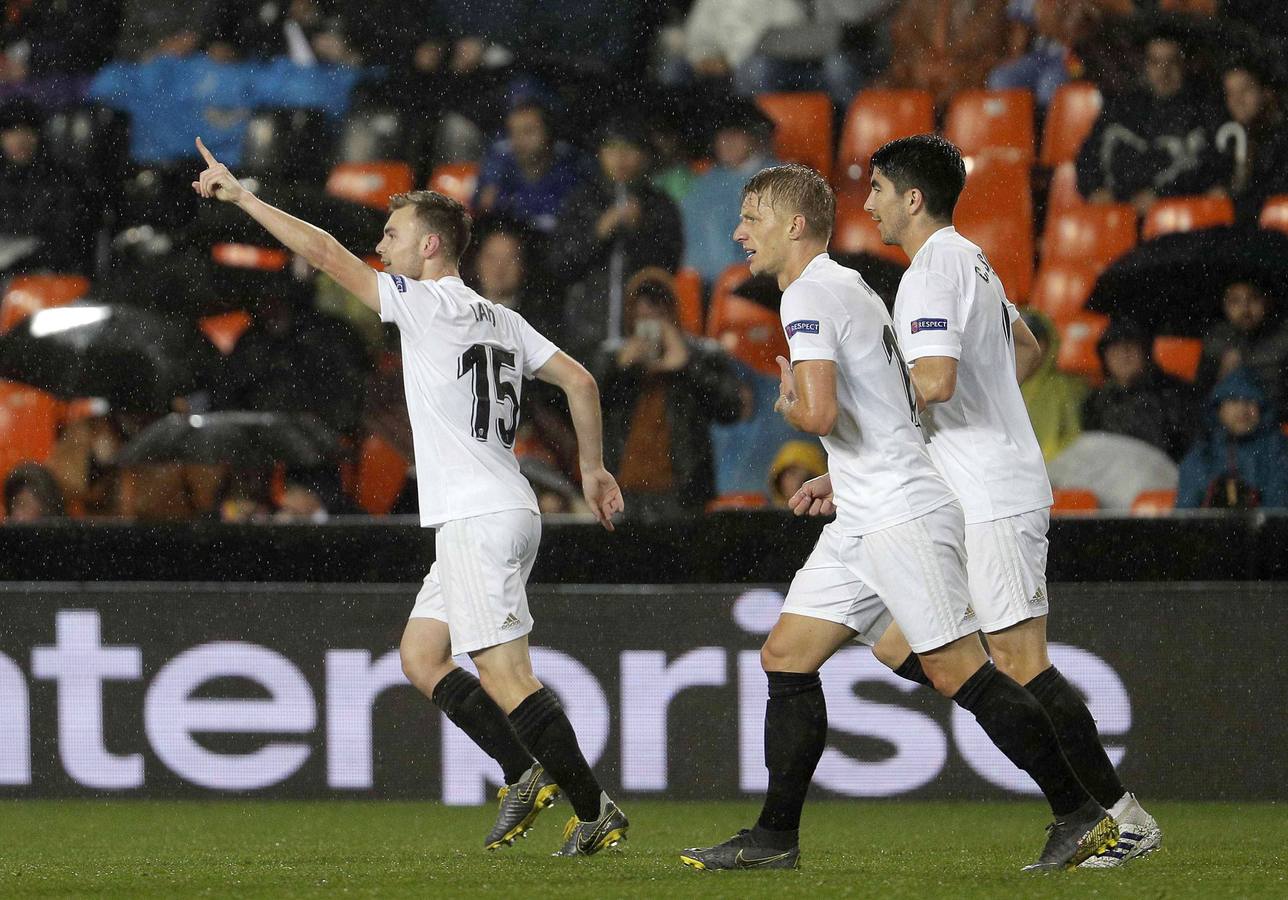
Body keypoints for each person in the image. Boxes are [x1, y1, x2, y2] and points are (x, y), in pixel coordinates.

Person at [191, 137, 629, 856]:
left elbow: (327, 253)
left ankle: (594, 810)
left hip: (479, 517)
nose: (380, 245)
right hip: (497, 506)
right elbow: (580, 380)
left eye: (392, 235)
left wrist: (244, 198)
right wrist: (593, 469)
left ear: (429, 246)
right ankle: (523, 773)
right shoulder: (500, 317)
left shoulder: (427, 305)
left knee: (506, 674)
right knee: (422, 656)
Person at [680, 163, 1117, 873]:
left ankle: (1080, 813)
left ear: (795, 226)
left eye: (751, 217)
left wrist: (790, 406)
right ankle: (773, 838)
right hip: (866, 506)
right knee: (786, 656)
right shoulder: (850, 286)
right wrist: (839, 470)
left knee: (958, 672)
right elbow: (891, 405)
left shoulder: (809, 298)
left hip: (901, 513)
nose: (738, 232)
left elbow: (818, 411)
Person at [851, 134, 1159, 867]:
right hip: (970, 487)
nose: (868, 204)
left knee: (1020, 661)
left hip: (991, 492)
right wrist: (983, 419)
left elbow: (932, 384)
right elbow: (1026, 350)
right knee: (897, 643)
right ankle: (1080, 803)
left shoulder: (931, 271)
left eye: (878, 190)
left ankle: (1118, 817)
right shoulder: (972, 261)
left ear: (913, 198)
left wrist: (861, 423)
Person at [595, 268, 743, 518]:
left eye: (658, 313)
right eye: (642, 315)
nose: (651, 323)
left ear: (672, 314)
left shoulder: (701, 355)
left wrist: (686, 366)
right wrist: (621, 367)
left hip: (684, 497)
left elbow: (731, 409)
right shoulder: (613, 358)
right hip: (623, 496)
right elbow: (585, 408)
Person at [1076, 32, 1226, 216]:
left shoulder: (1203, 112)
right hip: (1116, 216)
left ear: (1184, 65)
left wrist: (1161, 195)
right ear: (1146, 66)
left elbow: (1209, 168)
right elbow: (1087, 156)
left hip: (1173, 218)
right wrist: (1095, 189)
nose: (1164, 72)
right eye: (1156, 62)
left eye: (1172, 62)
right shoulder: (1122, 107)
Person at [1082, 318, 1196, 461]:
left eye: (1130, 347)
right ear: (1104, 358)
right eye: (1115, 349)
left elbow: (1190, 448)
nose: (1123, 355)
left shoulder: (1174, 393)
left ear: (1146, 352)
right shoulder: (1095, 402)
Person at [1177, 367, 1288, 509]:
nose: (1242, 410)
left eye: (1250, 401)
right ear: (1219, 409)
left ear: (1262, 408)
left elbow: (1278, 510)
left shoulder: (1279, 450)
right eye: (1234, 400)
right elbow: (1186, 513)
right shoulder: (1203, 453)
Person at [1196, 280, 1288, 422]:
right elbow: (1200, 398)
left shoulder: (1283, 338)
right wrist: (1222, 376)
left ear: (1267, 302)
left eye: (1253, 299)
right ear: (1224, 305)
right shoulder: (1214, 340)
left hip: (1274, 425)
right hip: (1226, 428)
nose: (1245, 308)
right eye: (1235, 301)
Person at [1018, 309, 1087, 462]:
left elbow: (1074, 438)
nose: (1027, 347)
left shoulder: (1065, 388)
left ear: (1049, 344)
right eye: (1018, 340)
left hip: (1056, 472)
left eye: (1035, 338)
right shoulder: (996, 388)